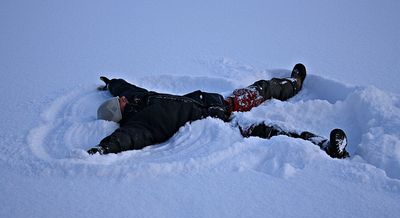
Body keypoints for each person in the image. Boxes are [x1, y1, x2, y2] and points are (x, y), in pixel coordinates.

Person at [87, 64, 349, 159]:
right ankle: (324, 145)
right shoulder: (140, 124)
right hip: (219, 126)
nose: (121, 98)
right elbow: (127, 139)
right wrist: (104, 148)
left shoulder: (136, 98)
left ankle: (294, 83)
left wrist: (111, 83)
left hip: (222, 103)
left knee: (259, 89)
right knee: (270, 131)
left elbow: (125, 87)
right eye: (117, 102)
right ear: (119, 114)